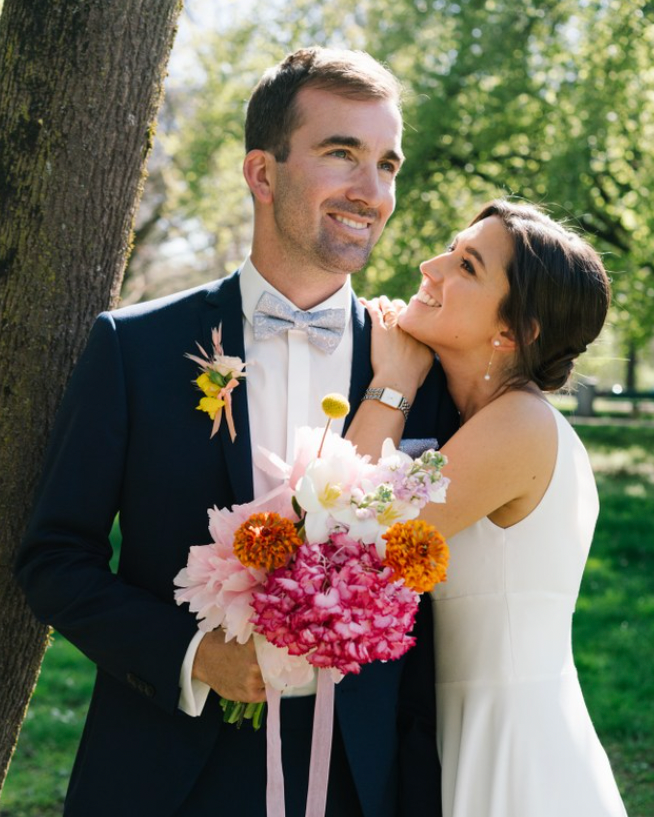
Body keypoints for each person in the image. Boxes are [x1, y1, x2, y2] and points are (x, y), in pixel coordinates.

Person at [15, 47, 458, 817]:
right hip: (169, 773)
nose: (371, 190)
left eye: (387, 164)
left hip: (362, 780)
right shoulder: (136, 348)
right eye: (342, 154)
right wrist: (195, 656)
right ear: (262, 174)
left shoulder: (419, 369)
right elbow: (55, 557)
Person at [346, 199, 628, 817]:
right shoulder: (486, 423)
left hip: (515, 749)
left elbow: (351, 537)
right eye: (452, 248)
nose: (430, 265)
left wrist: (392, 383)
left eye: (466, 265)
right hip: (470, 726)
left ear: (512, 332)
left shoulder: (520, 427)